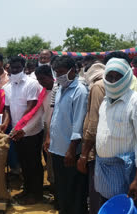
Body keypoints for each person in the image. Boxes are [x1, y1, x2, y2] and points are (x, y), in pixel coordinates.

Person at [95, 57, 137, 206]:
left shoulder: (135, 102)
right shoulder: (105, 101)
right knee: (107, 205)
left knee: (125, 206)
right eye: (110, 77)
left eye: (118, 77)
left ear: (127, 77)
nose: (113, 81)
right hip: (103, 169)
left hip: (125, 171)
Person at [2, 56, 44, 205]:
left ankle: (37, 193)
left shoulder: (32, 84)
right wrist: (6, 124)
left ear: (24, 68)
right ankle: (27, 190)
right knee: (23, 163)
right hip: (16, 132)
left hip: (30, 131)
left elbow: (31, 107)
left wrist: (19, 127)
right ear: (8, 69)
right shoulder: (7, 87)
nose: (15, 70)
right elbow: (7, 109)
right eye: (12, 68)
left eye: (18, 68)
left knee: (33, 163)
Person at [49, 56, 89, 214]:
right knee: (63, 189)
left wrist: (71, 150)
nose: (59, 76)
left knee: (74, 192)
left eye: (62, 72)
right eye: (57, 73)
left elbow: (78, 124)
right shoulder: (60, 88)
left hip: (70, 151)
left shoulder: (80, 91)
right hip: (57, 149)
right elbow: (57, 116)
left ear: (74, 70)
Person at [76, 59, 105, 214]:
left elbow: (93, 122)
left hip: (95, 147)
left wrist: (84, 154)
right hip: (107, 146)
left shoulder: (97, 87)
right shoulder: (111, 84)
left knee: (95, 190)